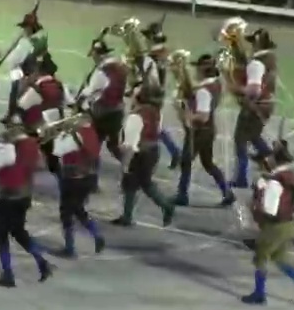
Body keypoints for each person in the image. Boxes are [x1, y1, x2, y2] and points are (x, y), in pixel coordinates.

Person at [0, 119, 54, 287]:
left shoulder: (8, 148)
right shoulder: (33, 144)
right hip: (25, 195)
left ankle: (8, 275)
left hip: (8, 196)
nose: (5, 131)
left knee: (1, 236)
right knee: (19, 232)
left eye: (8, 128)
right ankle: (41, 262)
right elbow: (40, 164)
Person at [243, 140, 294, 306]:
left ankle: (259, 294)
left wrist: (260, 197)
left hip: (275, 226)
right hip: (290, 224)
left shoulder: (274, 181)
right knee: (279, 257)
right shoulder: (293, 176)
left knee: (261, 256)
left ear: (275, 160)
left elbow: (270, 209)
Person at [173, 53, 234, 206]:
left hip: (199, 131)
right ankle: (227, 192)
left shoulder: (203, 91)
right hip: (208, 130)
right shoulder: (215, 84)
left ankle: (182, 195)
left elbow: (203, 116)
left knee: (186, 161)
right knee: (208, 163)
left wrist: (186, 114)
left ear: (202, 70)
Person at [112, 85, 176, 227]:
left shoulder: (135, 116)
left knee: (138, 183)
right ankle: (127, 216)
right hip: (153, 151)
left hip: (140, 153)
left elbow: (130, 145)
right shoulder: (156, 112)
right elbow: (157, 131)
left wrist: (125, 164)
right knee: (136, 183)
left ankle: (166, 206)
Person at [48, 107, 105, 257]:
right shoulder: (92, 132)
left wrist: (59, 134)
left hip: (73, 178)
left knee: (66, 212)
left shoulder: (75, 135)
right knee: (79, 209)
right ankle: (96, 235)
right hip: (88, 177)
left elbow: (57, 151)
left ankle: (70, 249)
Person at [228, 27, 276, 188]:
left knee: (240, 139)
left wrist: (236, 89)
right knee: (254, 136)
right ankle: (273, 158)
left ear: (256, 44)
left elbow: (254, 90)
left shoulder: (256, 63)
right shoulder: (269, 59)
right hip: (266, 105)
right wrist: (234, 43)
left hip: (254, 107)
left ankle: (241, 177)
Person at [77, 38, 127, 174]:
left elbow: (91, 91)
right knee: (113, 145)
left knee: (93, 145)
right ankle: (130, 166)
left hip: (102, 113)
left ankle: (92, 180)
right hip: (117, 111)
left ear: (97, 55)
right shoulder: (118, 66)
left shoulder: (100, 71)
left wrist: (80, 99)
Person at [0, 10, 48, 119]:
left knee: (24, 97)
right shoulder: (25, 38)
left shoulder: (38, 42)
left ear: (31, 28)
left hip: (29, 73)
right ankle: (10, 114)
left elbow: (39, 60)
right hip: (20, 70)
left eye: (26, 27)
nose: (24, 29)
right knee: (14, 93)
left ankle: (21, 117)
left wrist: (33, 76)